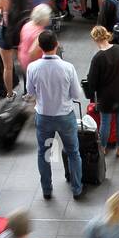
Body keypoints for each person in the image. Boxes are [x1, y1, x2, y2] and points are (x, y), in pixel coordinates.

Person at [26, 29, 85, 201]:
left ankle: (46, 189)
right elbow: (76, 94)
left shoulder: (33, 67)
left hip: (43, 117)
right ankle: (76, 188)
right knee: (73, 152)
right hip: (65, 116)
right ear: (56, 44)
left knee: (44, 153)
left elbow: (30, 91)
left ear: (40, 47)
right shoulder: (67, 68)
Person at [85, 25, 119, 158]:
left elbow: (92, 82)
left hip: (106, 95)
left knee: (105, 121)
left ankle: (103, 148)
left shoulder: (98, 58)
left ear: (95, 39)